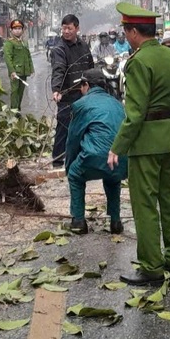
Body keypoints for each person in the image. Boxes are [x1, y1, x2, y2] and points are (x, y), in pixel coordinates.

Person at [108, 3, 170, 284]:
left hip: (146, 143)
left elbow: (135, 113)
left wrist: (117, 146)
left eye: (126, 30)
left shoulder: (138, 62)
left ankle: (152, 267)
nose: (126, 35)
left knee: (144, 206)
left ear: (132, 32)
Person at [65, 68, 128, 235]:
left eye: (81, 86)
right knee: (112, 178)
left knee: (75, 174)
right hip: (121, 160)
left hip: (96, 157)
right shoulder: (117, 103)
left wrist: (69, 165)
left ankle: (78, 221)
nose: (80, 90)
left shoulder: (80, 105)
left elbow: (73, 139)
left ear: (86, 85)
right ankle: (115, 222)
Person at [50, 14, 94, 168]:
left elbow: (90, 66)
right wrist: (56, 89)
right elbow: (58, 69)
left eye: (69, 28)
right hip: (66, 95)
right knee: (63, 126)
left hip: (83, 94)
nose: (66, 31)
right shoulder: (59, 49)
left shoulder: (83, 45)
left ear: (77, 28)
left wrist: (92, 86)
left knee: (84, 125)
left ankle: (81, 156)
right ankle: (57, 160)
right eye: (64, 28)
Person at [3, 19, 33, 112]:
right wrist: (12, 71)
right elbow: (8, 58)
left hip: (23, 71)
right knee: (15, 91)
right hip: (15, 72)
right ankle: (13, 110)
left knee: (21, 91)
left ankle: (18, 109)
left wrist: (31, 69)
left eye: (19, 28)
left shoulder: (23, 43)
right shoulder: (9, 43)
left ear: (22, 30)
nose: (17, 30)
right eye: (15, 28)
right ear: (11, 30)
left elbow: (28, 56)